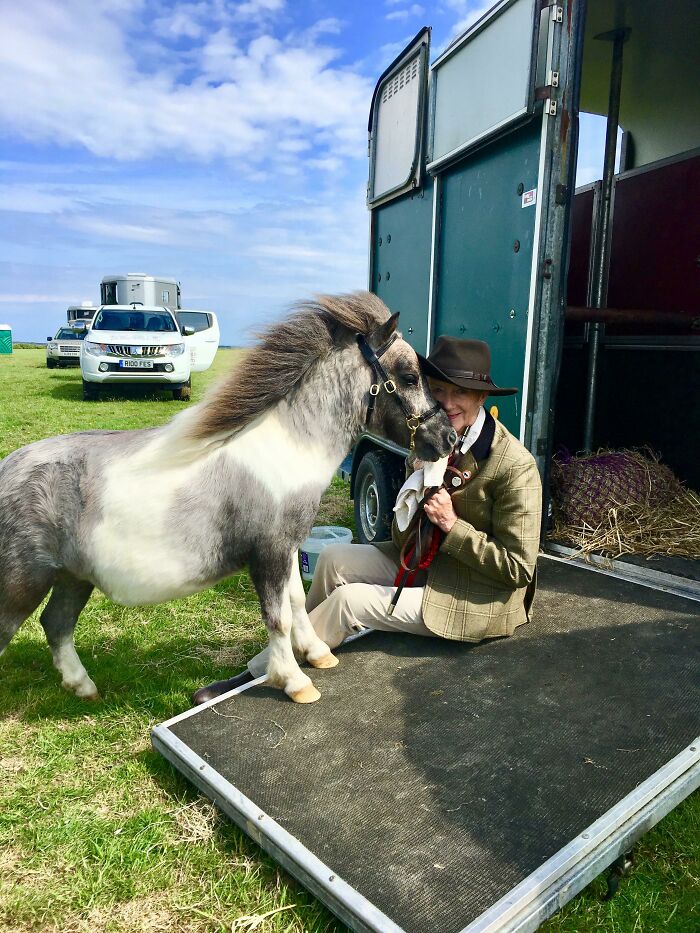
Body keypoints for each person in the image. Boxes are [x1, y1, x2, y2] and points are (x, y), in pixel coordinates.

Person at [193, 337, 542, 704]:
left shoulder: (514, 466)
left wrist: (452, 526)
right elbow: (402, 537)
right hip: (428, 564)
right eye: (438, 390)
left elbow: (518, 569)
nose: (447, 403)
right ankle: (299, 644)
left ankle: (255, 675)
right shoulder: (433, 441)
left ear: (481, 397)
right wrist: (414, 493)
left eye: (460, 393)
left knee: (350, 601)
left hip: (477, 597)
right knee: (332, 560)